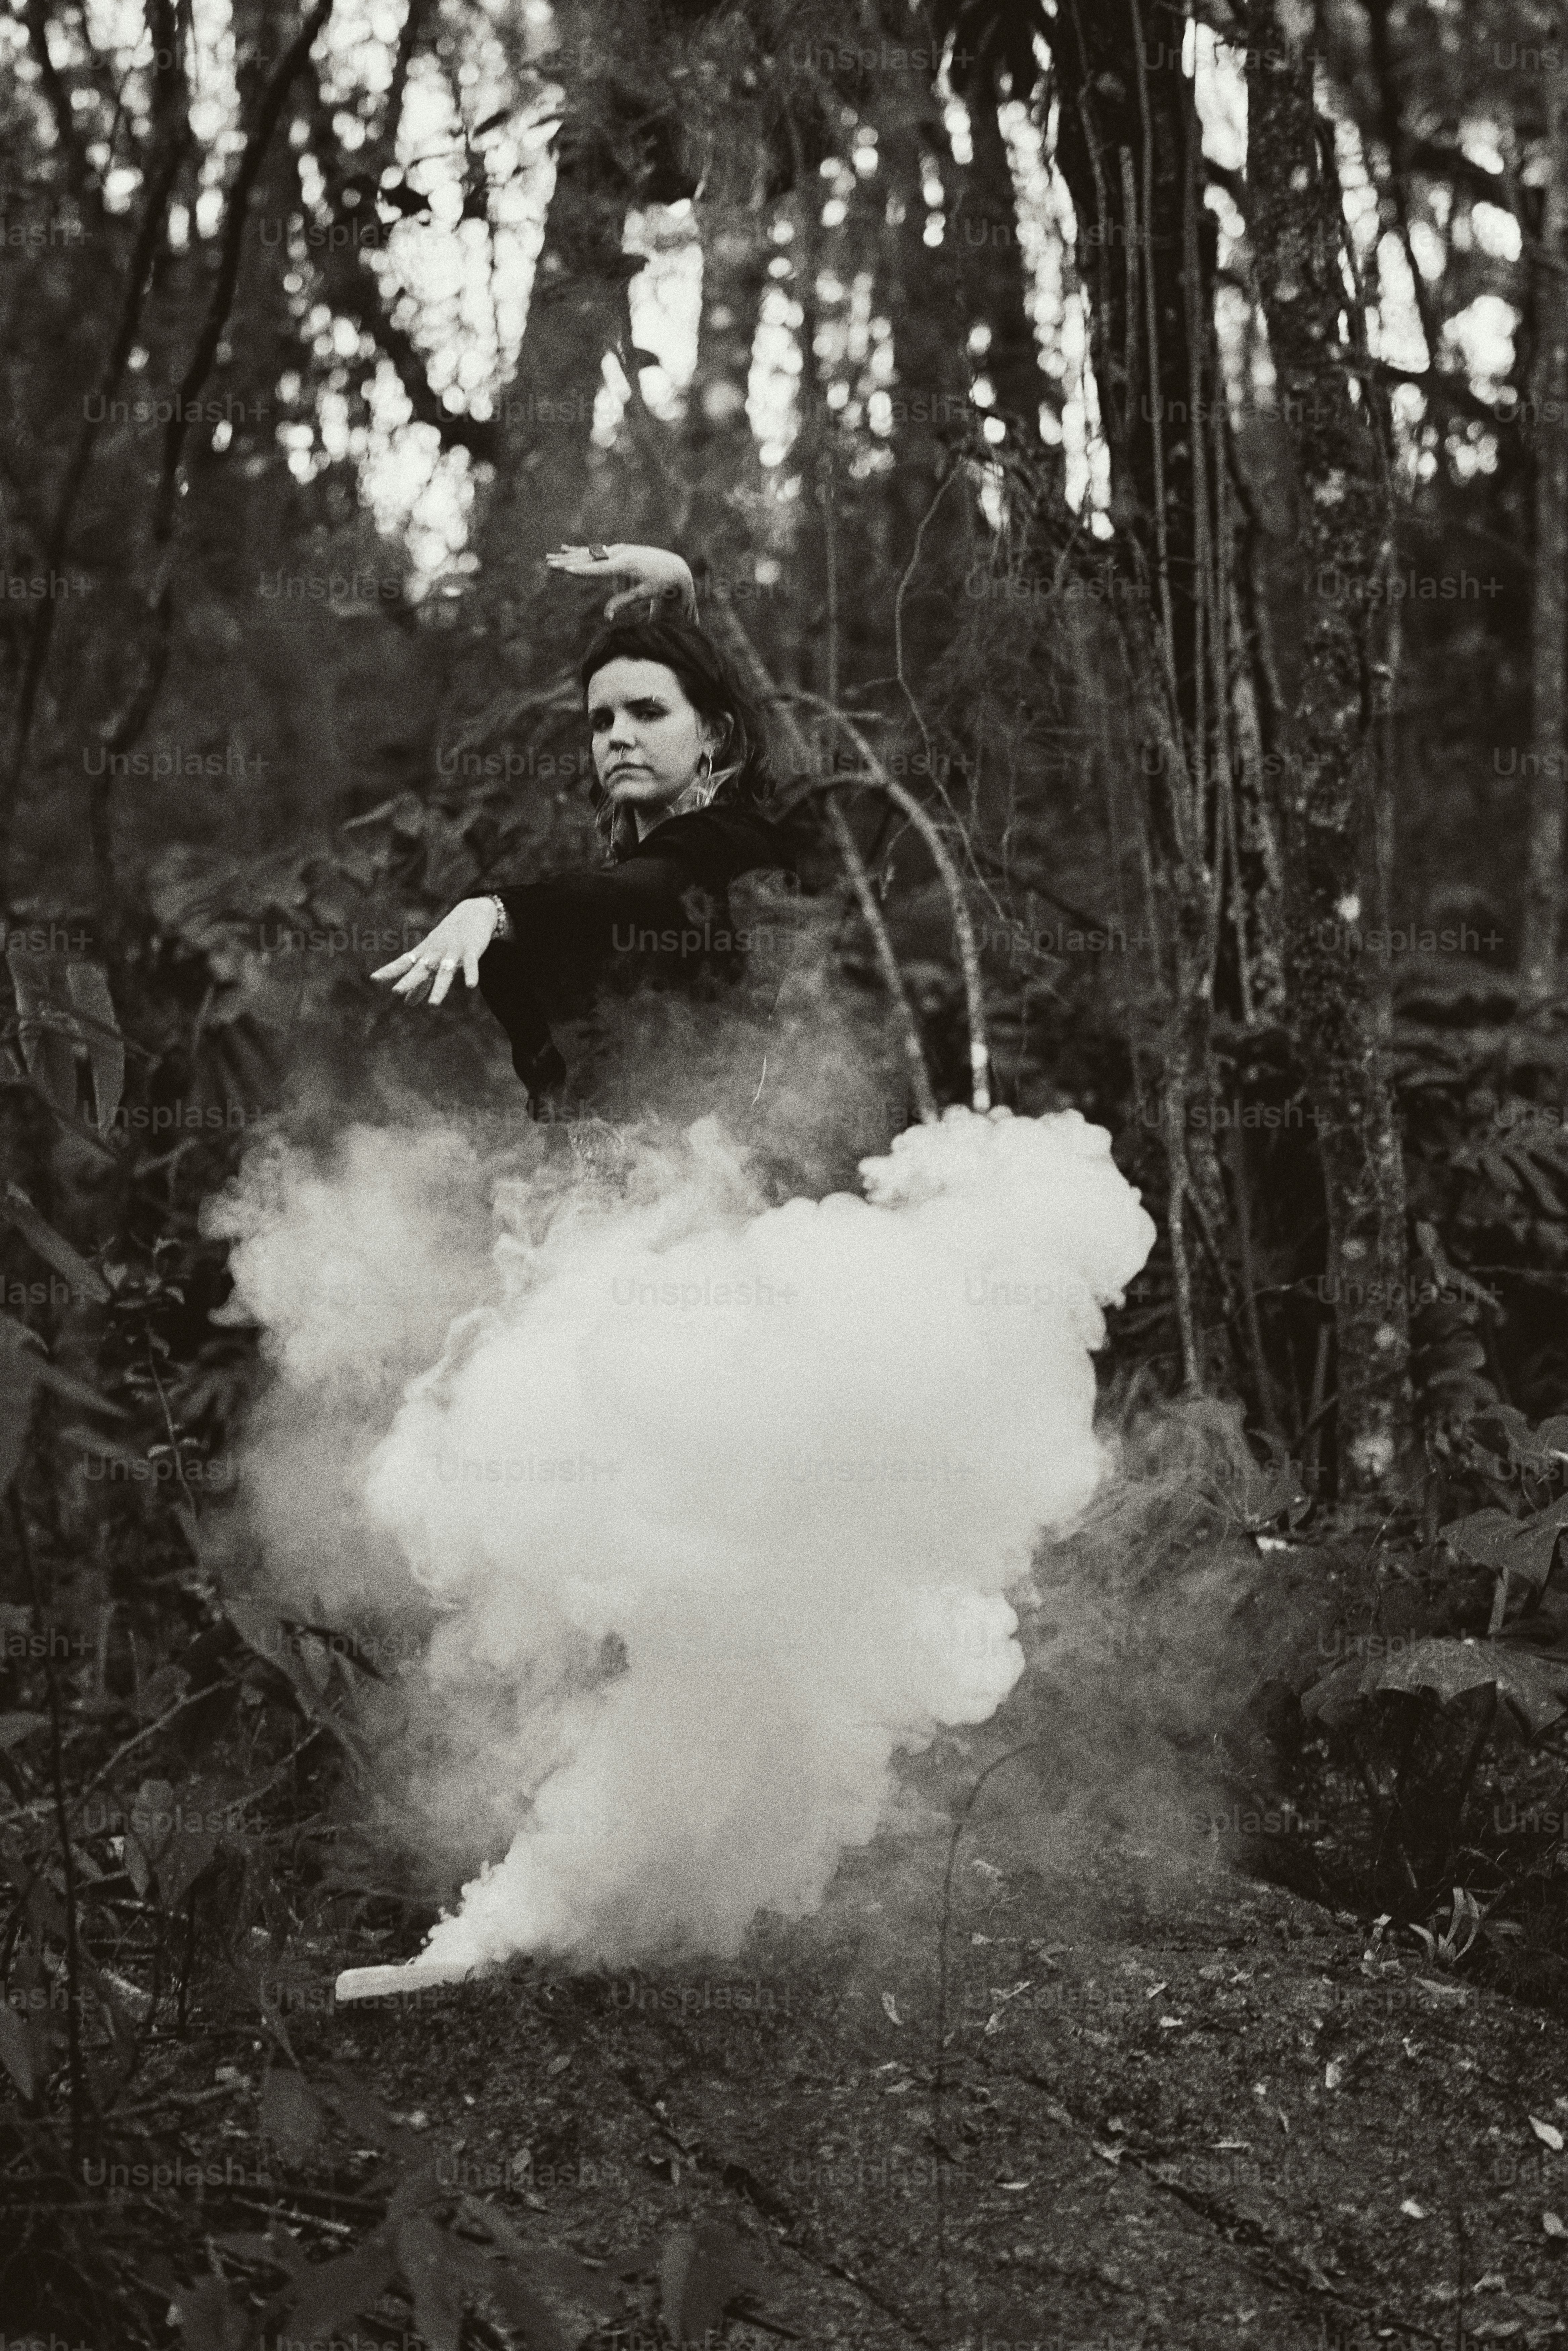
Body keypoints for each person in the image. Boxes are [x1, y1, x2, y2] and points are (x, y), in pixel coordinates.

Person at [372, 545, 809, 1110]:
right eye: (601, 720)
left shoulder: (732, 840)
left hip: (743, 1171)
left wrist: (494, 910)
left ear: (716, 736)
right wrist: (676, 602)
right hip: (627, 1179)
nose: (617, 737)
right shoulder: (657, 859)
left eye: (645, 715)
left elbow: (646, 892)